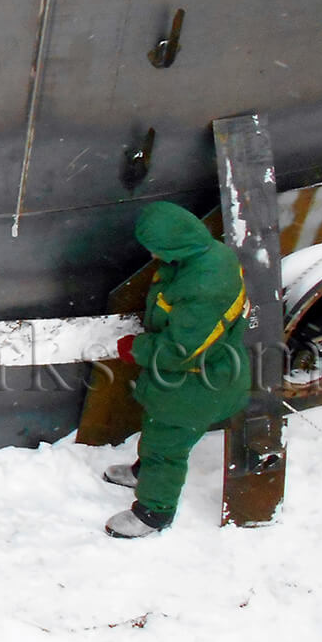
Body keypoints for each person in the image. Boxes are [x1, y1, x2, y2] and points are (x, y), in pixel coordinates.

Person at [104, 201, 250, 538]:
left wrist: (134, 349)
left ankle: (153, 512)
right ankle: (145, 471)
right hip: (199, 377)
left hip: (198, 386)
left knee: (166, 448)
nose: (152, 255)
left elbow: (180, 352)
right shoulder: (208, 254)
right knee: (157, 430)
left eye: (155, 249)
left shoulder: (203, 289)